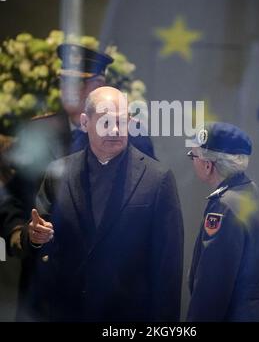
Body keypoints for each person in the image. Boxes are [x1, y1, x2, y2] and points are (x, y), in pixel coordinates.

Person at [1, 43, 155, 320]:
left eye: (78, 83)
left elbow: (148, 206)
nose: (68, 89)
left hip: (112, 288)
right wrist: (21, 234)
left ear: (100, 84)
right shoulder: (37, 132)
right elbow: (12, 197)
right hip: (46, 287)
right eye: (63, 81)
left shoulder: (132, 137)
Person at [21, 86, 183, 322]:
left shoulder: (157, 179)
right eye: (106, 122)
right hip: (68, 312)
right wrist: (35, 237)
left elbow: (168, 268)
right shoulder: (59, 173)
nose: (115, 130)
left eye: (121, 122)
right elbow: (37, 236)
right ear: (85, 123)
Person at [186, 122, 259, 322]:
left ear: (208, 165)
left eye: (193, 156)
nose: (192, 160)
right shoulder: (254, 196)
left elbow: (212, 288)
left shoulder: (224, 207)